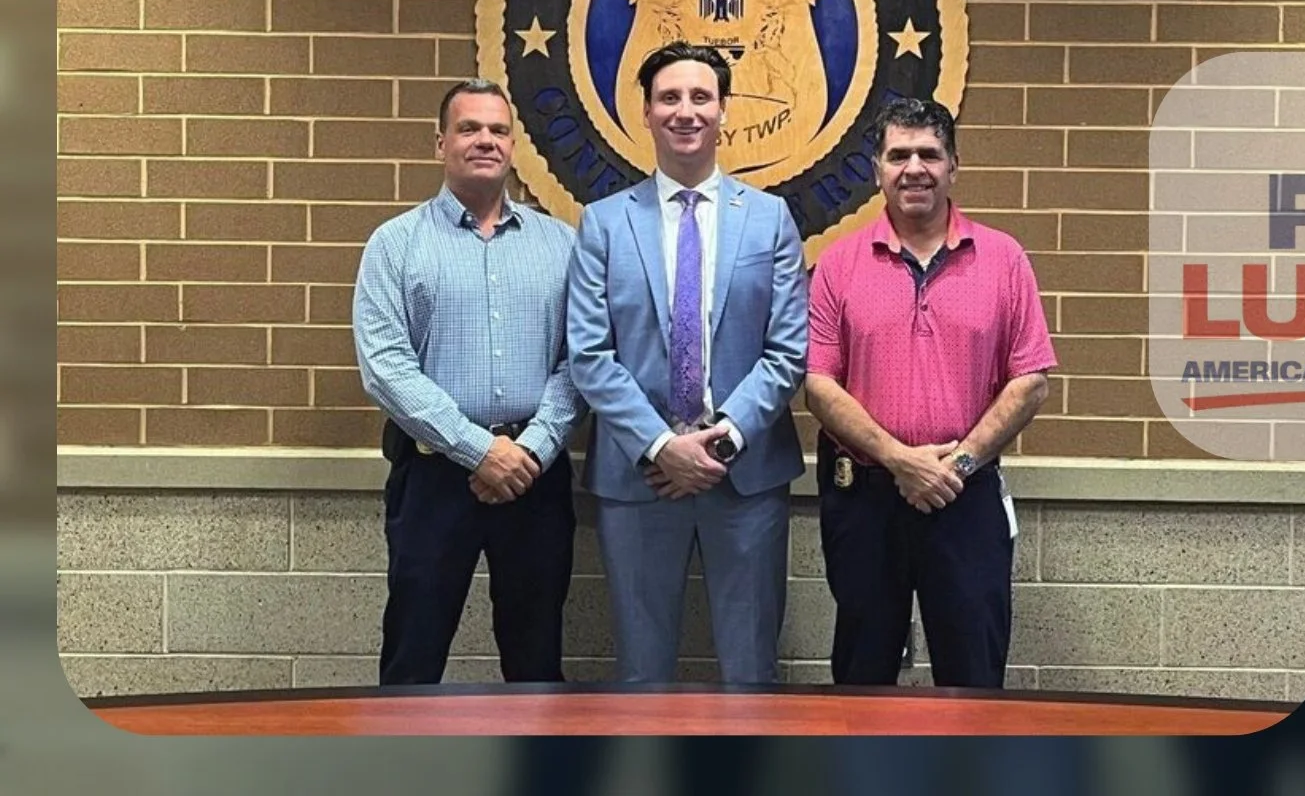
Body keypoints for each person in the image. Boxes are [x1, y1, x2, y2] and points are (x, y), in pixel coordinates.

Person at [567, 40, 808, 686]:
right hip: (638, 481)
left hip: (746, 481)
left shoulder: (769, 219)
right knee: (642, 675)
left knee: (751, 672)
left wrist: (719, 442)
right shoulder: (604, 225)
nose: (686, 110)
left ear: (724, 109)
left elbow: (787, 351)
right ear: (644, 113)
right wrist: (659, 446)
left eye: (701, 96)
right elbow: (590, 356)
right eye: (669, 97)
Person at [805, 97, 1056, 688]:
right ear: (876, 169)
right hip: (865, 498)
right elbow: (818, 384)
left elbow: (1031, 381)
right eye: (898, 155)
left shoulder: (1004, 260)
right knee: (863, 671)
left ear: (953, 166)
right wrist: (900, 460)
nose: (913, 168)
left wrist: (956, 465)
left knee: (972, 668)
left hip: (964, 496)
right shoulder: (838, 265)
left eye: (929, 154)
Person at [352, 78, 583, 686]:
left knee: (536, 659)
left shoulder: (561, 245)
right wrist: (478, 450)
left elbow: (581, 359)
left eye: (498, 130)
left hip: (536, 477)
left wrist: (529, 449)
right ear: (440, 144)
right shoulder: (395, 245)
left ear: (515, 146)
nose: (485, 140)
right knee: (413, 650)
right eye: (469, 128)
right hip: (433, 478)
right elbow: (385, 366)